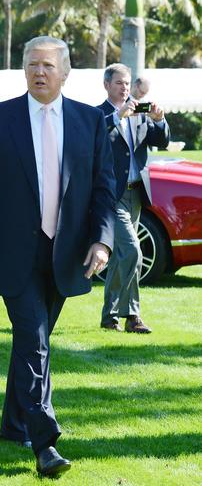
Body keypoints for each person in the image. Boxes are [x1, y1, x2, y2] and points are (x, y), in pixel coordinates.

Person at [0, 36, 116, 476]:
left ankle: (13, 424)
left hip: (66, 253)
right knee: (34, 340)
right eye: (32, 65)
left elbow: (104, 189)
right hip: (12, 252)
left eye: (48, 66)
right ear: (23, 70)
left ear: (66, 72)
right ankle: (45, 442)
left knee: (32, 343)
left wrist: (103, 240)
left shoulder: (89, 121)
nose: (39, 72)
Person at [98, 64, 170, 334]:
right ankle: (132, 316)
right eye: (119, 83)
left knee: (121, 258)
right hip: (111, 196)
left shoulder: (139, 112)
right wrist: (117, 117)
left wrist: (159, 120)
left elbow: (160, 141)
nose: (125, 87)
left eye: (127, 83)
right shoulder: (99, 114)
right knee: (133, 252)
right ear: (107, 85)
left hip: (136, 193)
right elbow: (94, 140)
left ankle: (109, 316)